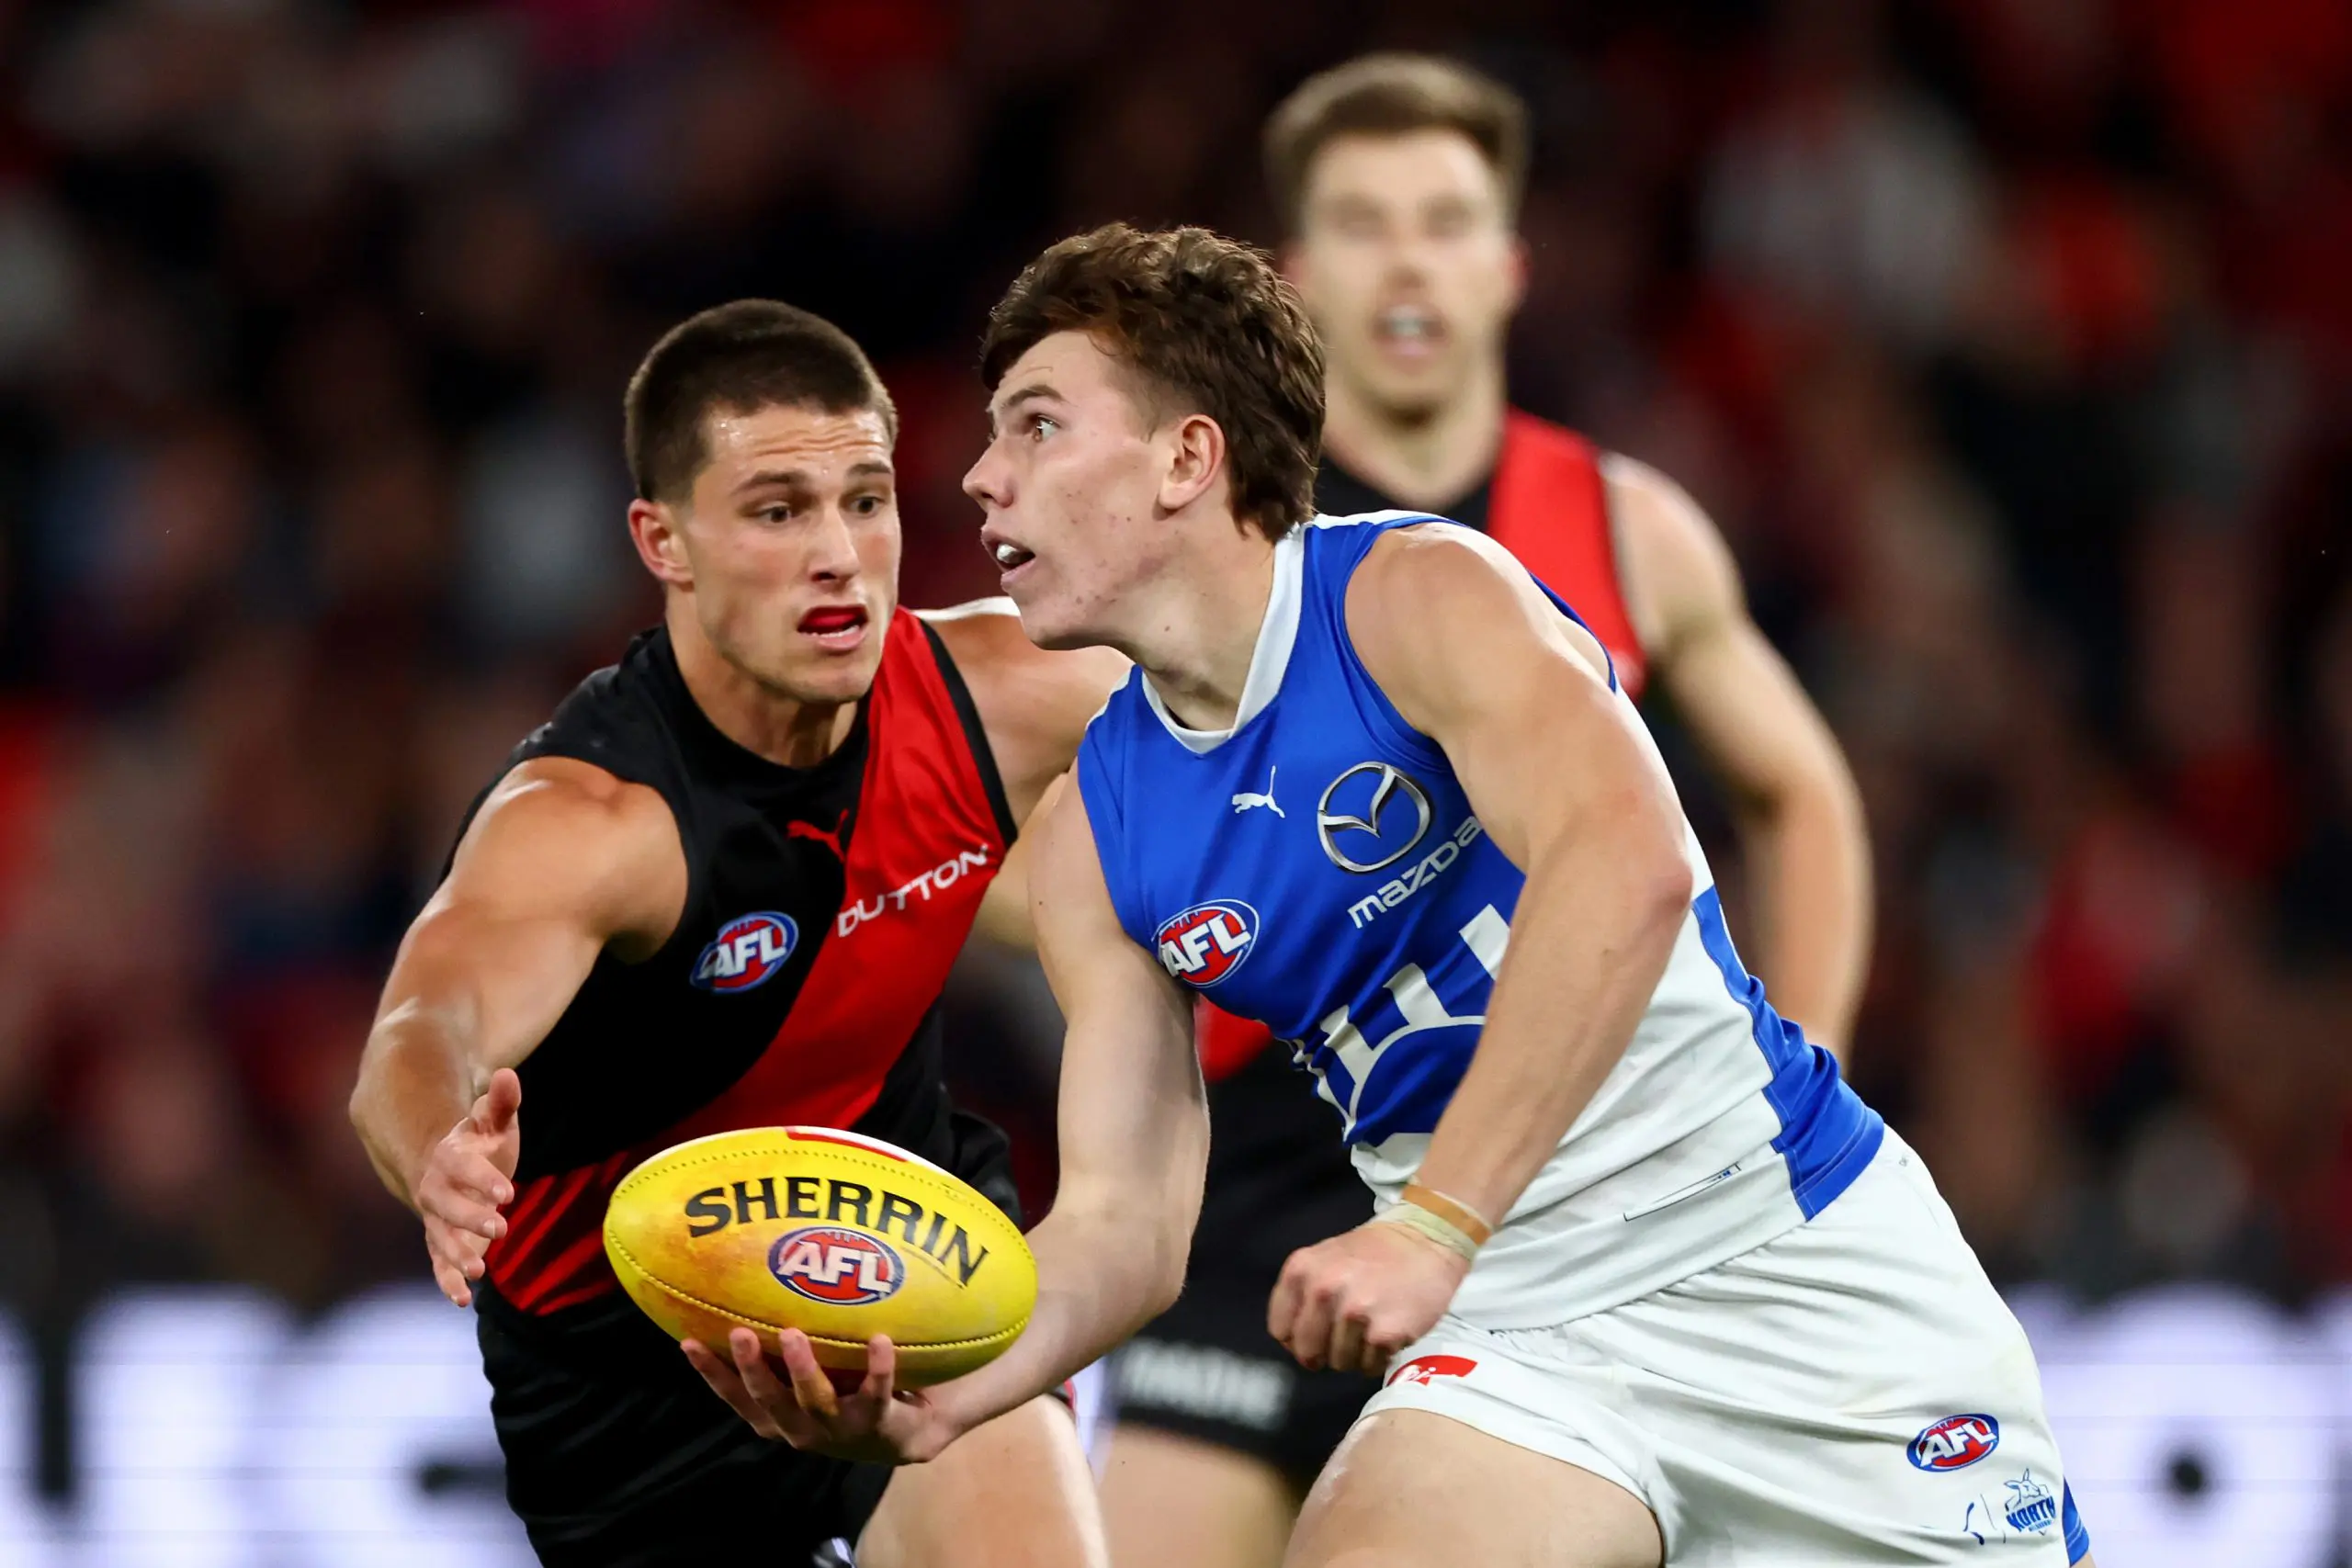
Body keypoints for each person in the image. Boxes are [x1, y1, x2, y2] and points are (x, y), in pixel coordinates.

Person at [691, 224, 2094, 1567]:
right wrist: (945, 1389)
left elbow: (1633, 860)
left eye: (1039, 424)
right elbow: (1125, 1218)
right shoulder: (1098, 838)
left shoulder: (1414, 593)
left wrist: (1431, 1221)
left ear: (1189, 456)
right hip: (1522, 1335)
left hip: (1786, 1261)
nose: (983, 478)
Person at [1099, 55, 1878, 1567]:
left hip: (1569, 1171)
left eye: (1448, 220)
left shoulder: (1624, 525)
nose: (1409, 260)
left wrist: (1799, 1074)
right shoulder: (1212, 544)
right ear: (1297, 273)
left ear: (1510, 265)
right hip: (1272, 1168)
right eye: (1366, 223)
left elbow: (1802, 790)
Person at [347, 300, 1122, 1568]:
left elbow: (1271, 654)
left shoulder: (1004, 696)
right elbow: (424, 1024)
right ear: (666, 541)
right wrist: (441, 1151)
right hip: (628, 1384)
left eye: (864, 499)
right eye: (778, 511)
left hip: (901, 1264)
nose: (839, 554)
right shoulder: (596, 817)